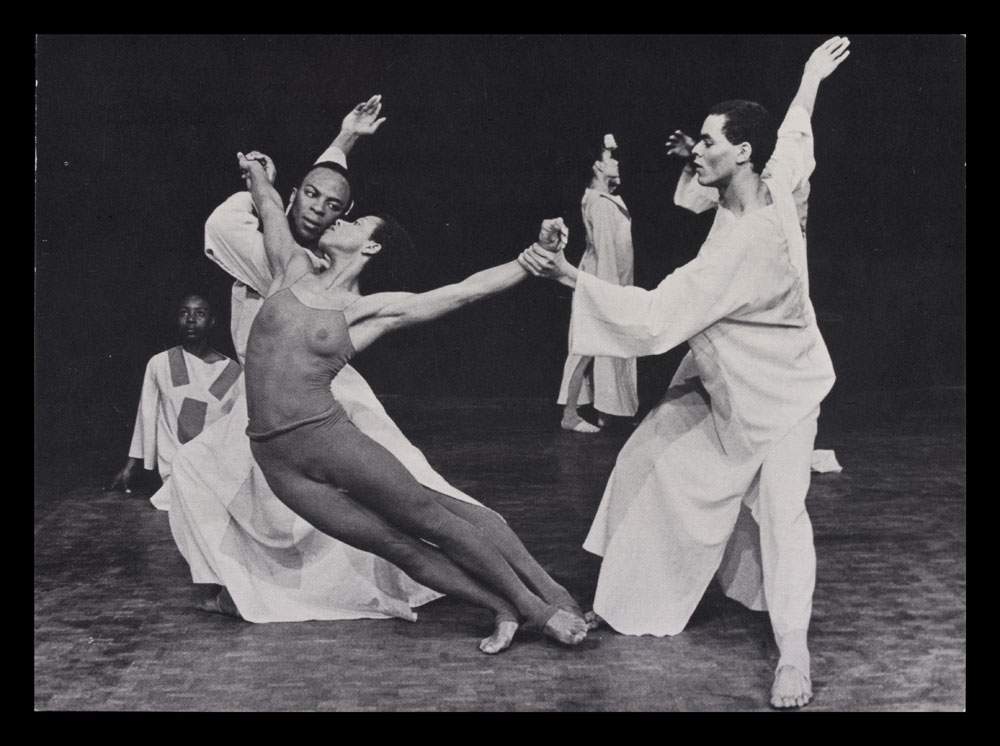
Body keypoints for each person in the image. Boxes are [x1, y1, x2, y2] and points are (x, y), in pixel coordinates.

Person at [520, 37, 850, 707]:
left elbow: (652, 318)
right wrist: (811, 76)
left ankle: (795, 652)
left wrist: (566, 276)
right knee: (648, 459)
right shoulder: (772, 179)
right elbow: (795, 135)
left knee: (784, 514)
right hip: (729, 380)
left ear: (741, 153)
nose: (696, 148)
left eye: (707, 141)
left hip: (785, 395)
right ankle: (626, 605)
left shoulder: (749, 247)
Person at [239, 148, 588, 653]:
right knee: (392, 545)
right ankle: (503, 607)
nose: (340, 220)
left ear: (372, 249)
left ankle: (542, 610)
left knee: (432, 520)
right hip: (274, 458)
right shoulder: (290, 266)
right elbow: (270, 206)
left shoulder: (367, 310)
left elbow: (462, 292)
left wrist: (528, 259)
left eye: (355, 220)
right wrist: (254, 168)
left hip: (325, 437)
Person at [109, 293, 241, 509]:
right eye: (184, 313)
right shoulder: (160, 364)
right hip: (175, 467)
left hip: (217, 466)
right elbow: (147, 416)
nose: (191, 319)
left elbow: (237, 429)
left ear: (212, 321)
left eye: (199, 314)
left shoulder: (231, 371)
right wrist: (131, 466)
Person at [556, 134, 639, 433]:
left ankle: (610, 410)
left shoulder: (604, 197)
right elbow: (604, 251)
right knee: (589, 345)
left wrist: (609, 148)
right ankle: (570, 415)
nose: (616, 161)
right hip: (603, 281)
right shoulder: (601, 204)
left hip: (612, 280)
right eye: (609, 158)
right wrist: (609, 294)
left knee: (607, 346)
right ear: (596, 166)